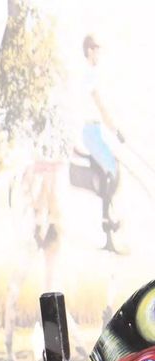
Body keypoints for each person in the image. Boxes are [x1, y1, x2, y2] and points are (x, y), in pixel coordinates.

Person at [81, 34, 125, 245]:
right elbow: (99, 105)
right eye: (96, 49)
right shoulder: (89, 74)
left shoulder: (92, 73)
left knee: (111, 167)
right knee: (111, 167)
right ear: (89, 50)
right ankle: (106, 219)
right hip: (91, 132)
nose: (98, 53)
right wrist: (115, 130)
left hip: (95, 130)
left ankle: (108, 218)